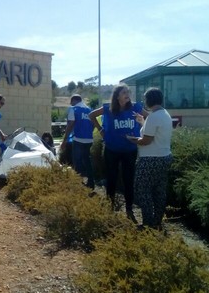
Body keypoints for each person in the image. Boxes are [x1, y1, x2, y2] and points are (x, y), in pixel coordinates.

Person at [89, 84, 147, 221]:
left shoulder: (135, 107)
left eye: (128, 92)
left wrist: (142, 122)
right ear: (117, 96)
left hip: (130, 150)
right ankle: (110, 208)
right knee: (111, 179)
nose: (127, 94)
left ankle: (129, 210)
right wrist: (101, 130)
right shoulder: (108, 108)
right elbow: (91, 115)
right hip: (112, 150)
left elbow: (150, 118)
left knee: (129, 180)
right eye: (124, 92)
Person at [126, 87, 173, 230]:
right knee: (159, 190)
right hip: (165, 157)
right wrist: (142, 122)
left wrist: (132, 139)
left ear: (149, 100)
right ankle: (157, 221)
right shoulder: (164, 114)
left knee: (142, 189)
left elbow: (146, 140)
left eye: (145, 99)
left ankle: (148, 222)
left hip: (150, 159)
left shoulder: (153, 117)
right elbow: (153, 132)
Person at [60, 94, 94, 188]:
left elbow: (70, 125)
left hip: (78, 139)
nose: (71, 104)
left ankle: (78, 184)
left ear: (74, 100)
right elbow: (93, 124)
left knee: (77, 162)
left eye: (71, 102)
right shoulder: (90, 110)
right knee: (87, 161)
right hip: (89, 140)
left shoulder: (73, 109)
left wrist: (64, 140)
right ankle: (91, 183)